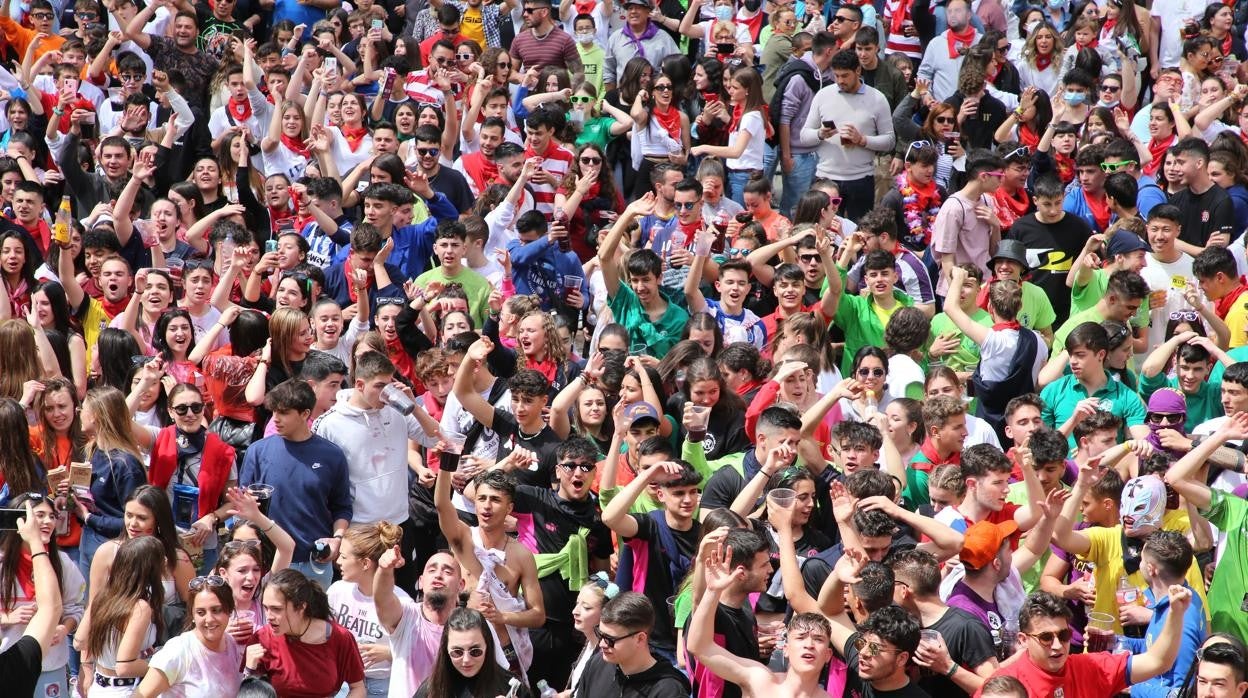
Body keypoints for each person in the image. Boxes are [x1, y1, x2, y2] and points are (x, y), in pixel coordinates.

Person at [240, 379, 352, 589]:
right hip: (268, 562)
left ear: (304, 414)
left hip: (314, 563)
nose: (276, 419)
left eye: (283, 413)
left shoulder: (332, 455)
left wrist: (337, 539)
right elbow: (243, 507)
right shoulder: (257, 451)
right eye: (274, 412)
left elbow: (342, 506)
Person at [983, 588, 1193, 697]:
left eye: (1063, 636)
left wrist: (1175, 613)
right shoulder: (1005, 686)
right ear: (1023, 639)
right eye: (1046, 638)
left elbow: (1158, 661)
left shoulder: (1089, 668)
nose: (1057, 646)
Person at [801, 49, 896, 221]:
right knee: (821, 232)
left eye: (845, 76)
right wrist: (820, 133)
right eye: (836, 75)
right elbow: (804, 136)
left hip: (860, 179)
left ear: (858, 71)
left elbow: (889, 141)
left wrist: (862, 140)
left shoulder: (877, 98)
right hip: (825, 178)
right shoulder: (823, 95)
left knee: (858, 236)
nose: (840, 81)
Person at [245, 568, 365, 696]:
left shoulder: (340, 637)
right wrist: (249, 669)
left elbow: (358, 687)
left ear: (301, 606)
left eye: (276, 609)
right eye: (265, 608)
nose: (268, 616)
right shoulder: (261, 639)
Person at [77, 536, 166, 696]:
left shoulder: (103, 596)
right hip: (127, 690)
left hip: (99, 688)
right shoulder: (140, 608)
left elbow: (79, 642)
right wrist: (161, 661)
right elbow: (124, 666)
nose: (165, 562)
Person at [373, 545, 465, 697]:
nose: (438, 575)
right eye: (432, 570)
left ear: (461, 585)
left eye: (447, 571)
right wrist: (384, 569)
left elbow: (496, 676)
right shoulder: (406, 617)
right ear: (421, 582)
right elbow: (382, 600)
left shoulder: (475, 625)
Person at [136, 575, 245, 697]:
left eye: (216, 610)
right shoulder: (179, 651)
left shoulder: (230, 643)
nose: (209, 619)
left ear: (229, 610)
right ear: (192, 615)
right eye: (201, 612)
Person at [0, 500, 63, 696]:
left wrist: (65, 627)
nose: (46, 522)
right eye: (39, 516)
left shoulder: (64, 564)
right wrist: (36, 543)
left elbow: (70, 608)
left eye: (52, 516)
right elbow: (51, 608)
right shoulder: (13, 669)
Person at [414, 607, 531, 697]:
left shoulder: (511, 686)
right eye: (457, 652)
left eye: (475, 651)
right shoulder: (431, 690)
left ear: (487, 647)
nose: (466, 660)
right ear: (446, 650)